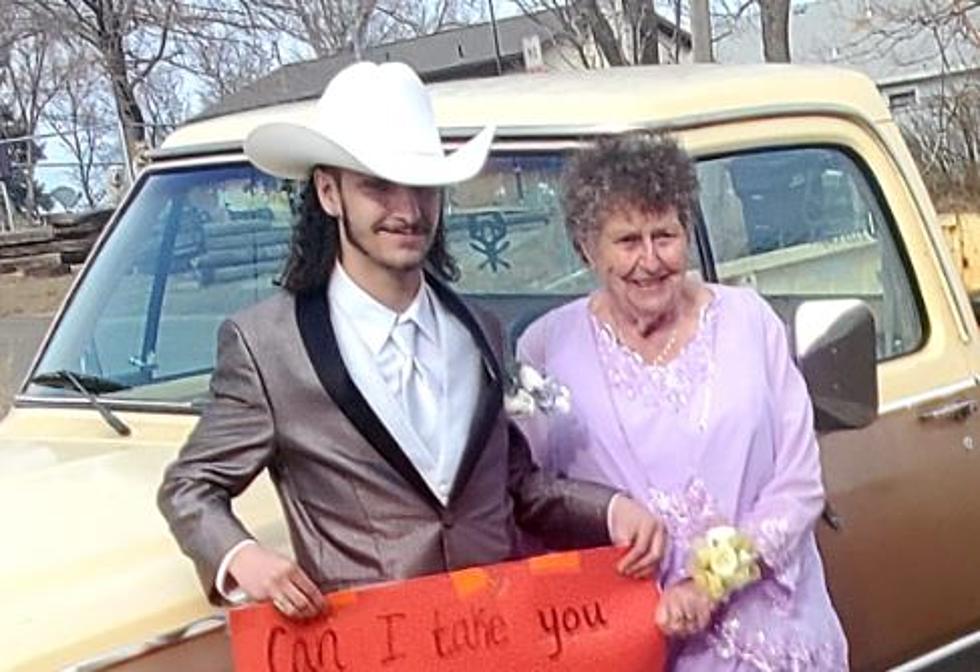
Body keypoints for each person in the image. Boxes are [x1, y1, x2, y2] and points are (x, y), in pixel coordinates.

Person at [157, 62, 664, 621]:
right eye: (378, 185)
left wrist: (611, 510)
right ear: (330, 193)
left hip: (496, 636)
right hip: (371, 643)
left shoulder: (478, 329)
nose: (406, 209)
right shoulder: (267, 346)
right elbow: (190, 487)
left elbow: (515, 485)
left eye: (422, 186)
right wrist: (241, 556)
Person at [516, 131, 848, 670]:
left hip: (778, 638)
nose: (650, 260)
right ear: (586, 248)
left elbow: (800, 482)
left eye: (664, 235)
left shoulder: (749, 322)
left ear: (686, 233)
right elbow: (530, 496)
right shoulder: (547, 348)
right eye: (627, 241)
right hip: (637, 641)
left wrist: (710, 581)